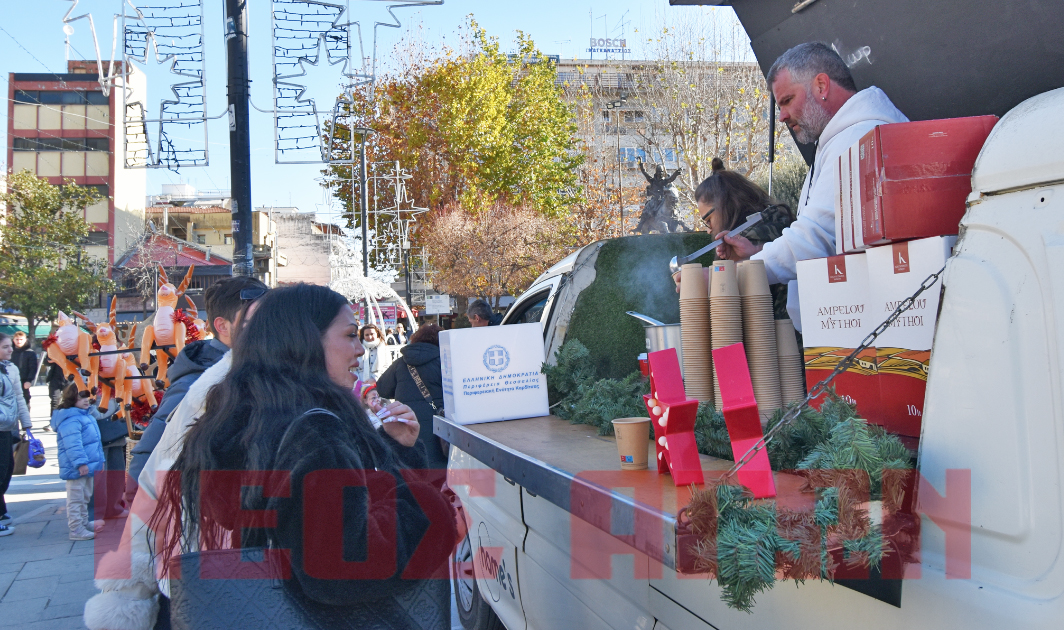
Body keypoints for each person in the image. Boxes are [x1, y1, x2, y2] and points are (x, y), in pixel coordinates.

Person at [87, 284, 456, 629]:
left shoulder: (242, 410)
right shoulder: (314, 429)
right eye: (349, 335)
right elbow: (344, 566)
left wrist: (395, 452)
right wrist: (427, 506)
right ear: (305, 342)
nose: (360, 349)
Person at [714, 42, 907, 328]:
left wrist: (730, 277)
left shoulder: (858, 138)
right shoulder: (839, 141)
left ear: (821, 86)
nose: (781, 116)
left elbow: (817, 238)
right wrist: (756, 255)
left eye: (788, 100)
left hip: (866, 333)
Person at [125, 276, 269, 498]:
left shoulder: (251, 370)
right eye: (255, 321)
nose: (268, 329)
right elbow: (152, 446)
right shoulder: (196, 382)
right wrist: (138, 503)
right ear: (222, 326)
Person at [694, 157, 796, 319]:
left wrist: (711, 280)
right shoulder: (777, 220)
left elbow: (737, 314)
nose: (709, 230)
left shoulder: (754, 234)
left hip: (783, 337)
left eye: (708, 220)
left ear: (724, 206)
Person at [376, 324, 447, 477]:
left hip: (408, 428)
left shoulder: (400, 364)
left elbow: (382, 389)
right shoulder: (445, 362)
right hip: (440, 432)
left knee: (416, 476)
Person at [53, 384, 106, 540]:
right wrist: (80, 463)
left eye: (88, 396)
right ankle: (76, 528)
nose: (86, 400)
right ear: (72, 398)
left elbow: (96, 442)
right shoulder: (71, 419)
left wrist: (99, 460)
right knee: (76, 498)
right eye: (82, 396)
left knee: (85, 496)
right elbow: (73, 444)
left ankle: (83, 522)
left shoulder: (86, 415)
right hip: (77, 467)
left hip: (87, 465)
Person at [0, 333, 32, 534]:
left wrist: (27, 424)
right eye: (5, 347)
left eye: (10, 346)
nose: (10, 349)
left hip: (7, 427)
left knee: (7, 469)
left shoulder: (10, 368)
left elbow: (19, 397)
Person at [11, 331, 37, 409]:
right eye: (17, 339)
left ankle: (25, 418)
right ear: (13, 340)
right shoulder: (10, 351)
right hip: (11, 379)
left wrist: (29, 380)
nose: (19, 341)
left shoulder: (30, 353)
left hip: (24, 380)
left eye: (21, 339)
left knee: (25, 400)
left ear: (25, 340)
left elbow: (33, 368)